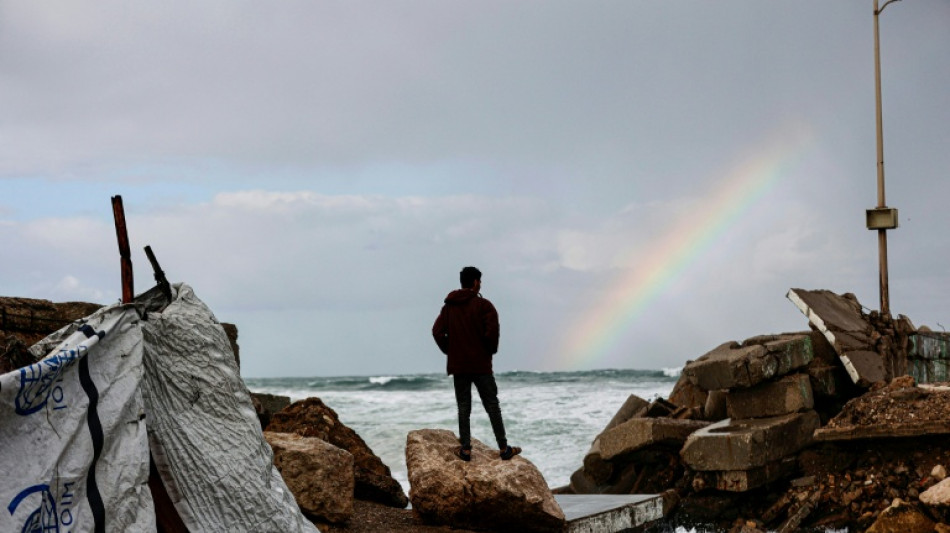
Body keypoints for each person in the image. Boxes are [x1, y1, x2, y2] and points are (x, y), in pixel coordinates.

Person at [432, 266, 521, 462]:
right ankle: (504, 448)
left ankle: (465, 450)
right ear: (475, 282)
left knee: (463, 407)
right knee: (492, 406)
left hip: (459, 365)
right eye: (479, 281)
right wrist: (488, 351)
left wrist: (451, 350)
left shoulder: (449, 307)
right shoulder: (484, 306)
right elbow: (492, 333)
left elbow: (437, 332)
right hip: (481, 365)